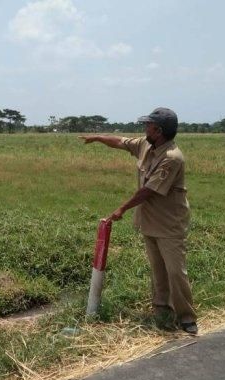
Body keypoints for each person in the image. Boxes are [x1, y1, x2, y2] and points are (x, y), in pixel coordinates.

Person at [79, 107, 198, 334]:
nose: (144, 128)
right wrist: (97, 138)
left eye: (148, 125)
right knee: (157, 270)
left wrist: (121, 209)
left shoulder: (172, 158)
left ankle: (186, 317)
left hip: (169, 224)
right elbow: (121, 142)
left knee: (175, 272)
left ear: (159, 130)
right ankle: (162, 311)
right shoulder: (146, 145)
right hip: (149, 221)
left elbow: (148, 191)